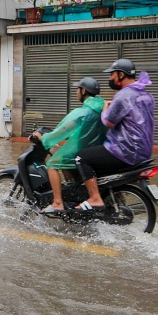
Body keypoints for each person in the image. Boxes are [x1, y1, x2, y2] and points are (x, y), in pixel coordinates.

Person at [74, 59, 155, 210]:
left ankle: (95, 198)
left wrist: (105, 108)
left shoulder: (124, 95)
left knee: (81, 157)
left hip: (125, 149)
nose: (110, 78)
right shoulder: (145, 94)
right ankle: (112, 198)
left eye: (112, 74)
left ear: (121, 75)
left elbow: (108, 122)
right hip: (143, 151)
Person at [33, 77, 108, 213]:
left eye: (77, 89)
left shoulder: (82, 112)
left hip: (81, 150)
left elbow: (62, 131)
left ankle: (57, 202)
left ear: (83, 90)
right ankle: (73, 194)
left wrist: (43, 137)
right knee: (64, 161)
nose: (76, 92)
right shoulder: (103, 108)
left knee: (52, 163)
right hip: (95, 151)